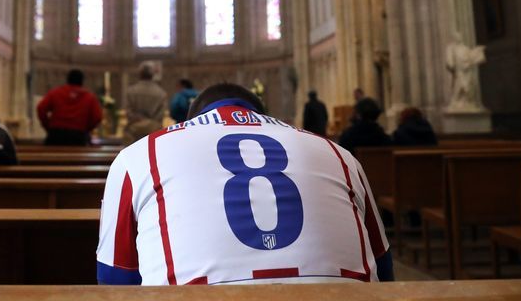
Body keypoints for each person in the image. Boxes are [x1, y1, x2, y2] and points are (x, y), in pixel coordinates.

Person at [97, 83, 392, 285]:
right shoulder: (339, 153)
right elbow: (384, 267)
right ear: (262, 114)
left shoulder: (137, 156)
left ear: (189, 121)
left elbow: (115, 280)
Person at [36, 69, 103, 146]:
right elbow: (97, 117)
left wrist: (47, 126)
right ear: (82, 81)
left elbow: (41, 108)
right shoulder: (89, 97)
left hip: (56, 135)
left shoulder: (56, 92)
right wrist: (87, 129)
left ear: (68, 79)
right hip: (78, 136)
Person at [123, 62, 168, 143]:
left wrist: (138, 120)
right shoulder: (161, 93)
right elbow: (160, 115)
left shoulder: (131, 91)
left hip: (134, 131)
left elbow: (128, 112)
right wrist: (150, 123)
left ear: (140, 74)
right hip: (154, 131)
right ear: (153, 75)